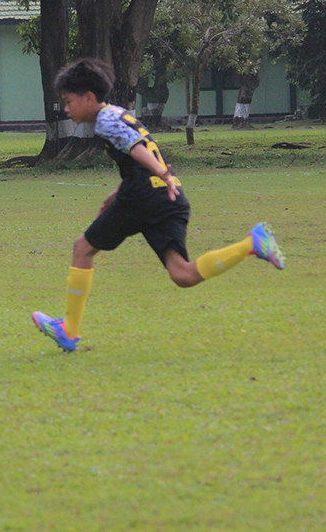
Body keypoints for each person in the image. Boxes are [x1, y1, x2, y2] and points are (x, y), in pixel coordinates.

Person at [32, 58, 285, 352]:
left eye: (68, 101)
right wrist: (125, 189)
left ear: (89, 98)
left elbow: (136, 148)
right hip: (169, 197)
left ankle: (68, 330)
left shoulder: (105, 120)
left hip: (144, 196)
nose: (66, 108)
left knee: (82, 248)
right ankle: (253, 243)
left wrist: (159, 171)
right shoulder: (118, 114)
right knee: (183, 275)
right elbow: (135, 153)